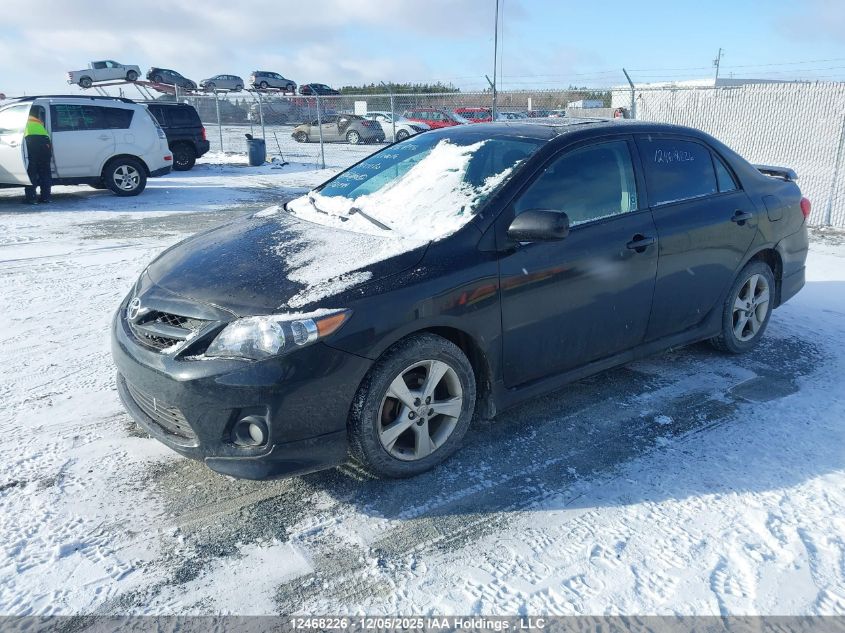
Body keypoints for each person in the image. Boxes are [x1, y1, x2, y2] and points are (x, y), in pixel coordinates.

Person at [23, 107, 52, 204]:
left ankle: (31, 198)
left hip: (31, 141)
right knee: (45, 172)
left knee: (32, 171)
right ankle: (46, 197)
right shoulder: (36, 121)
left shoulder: (21, 119)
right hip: (45, 142)